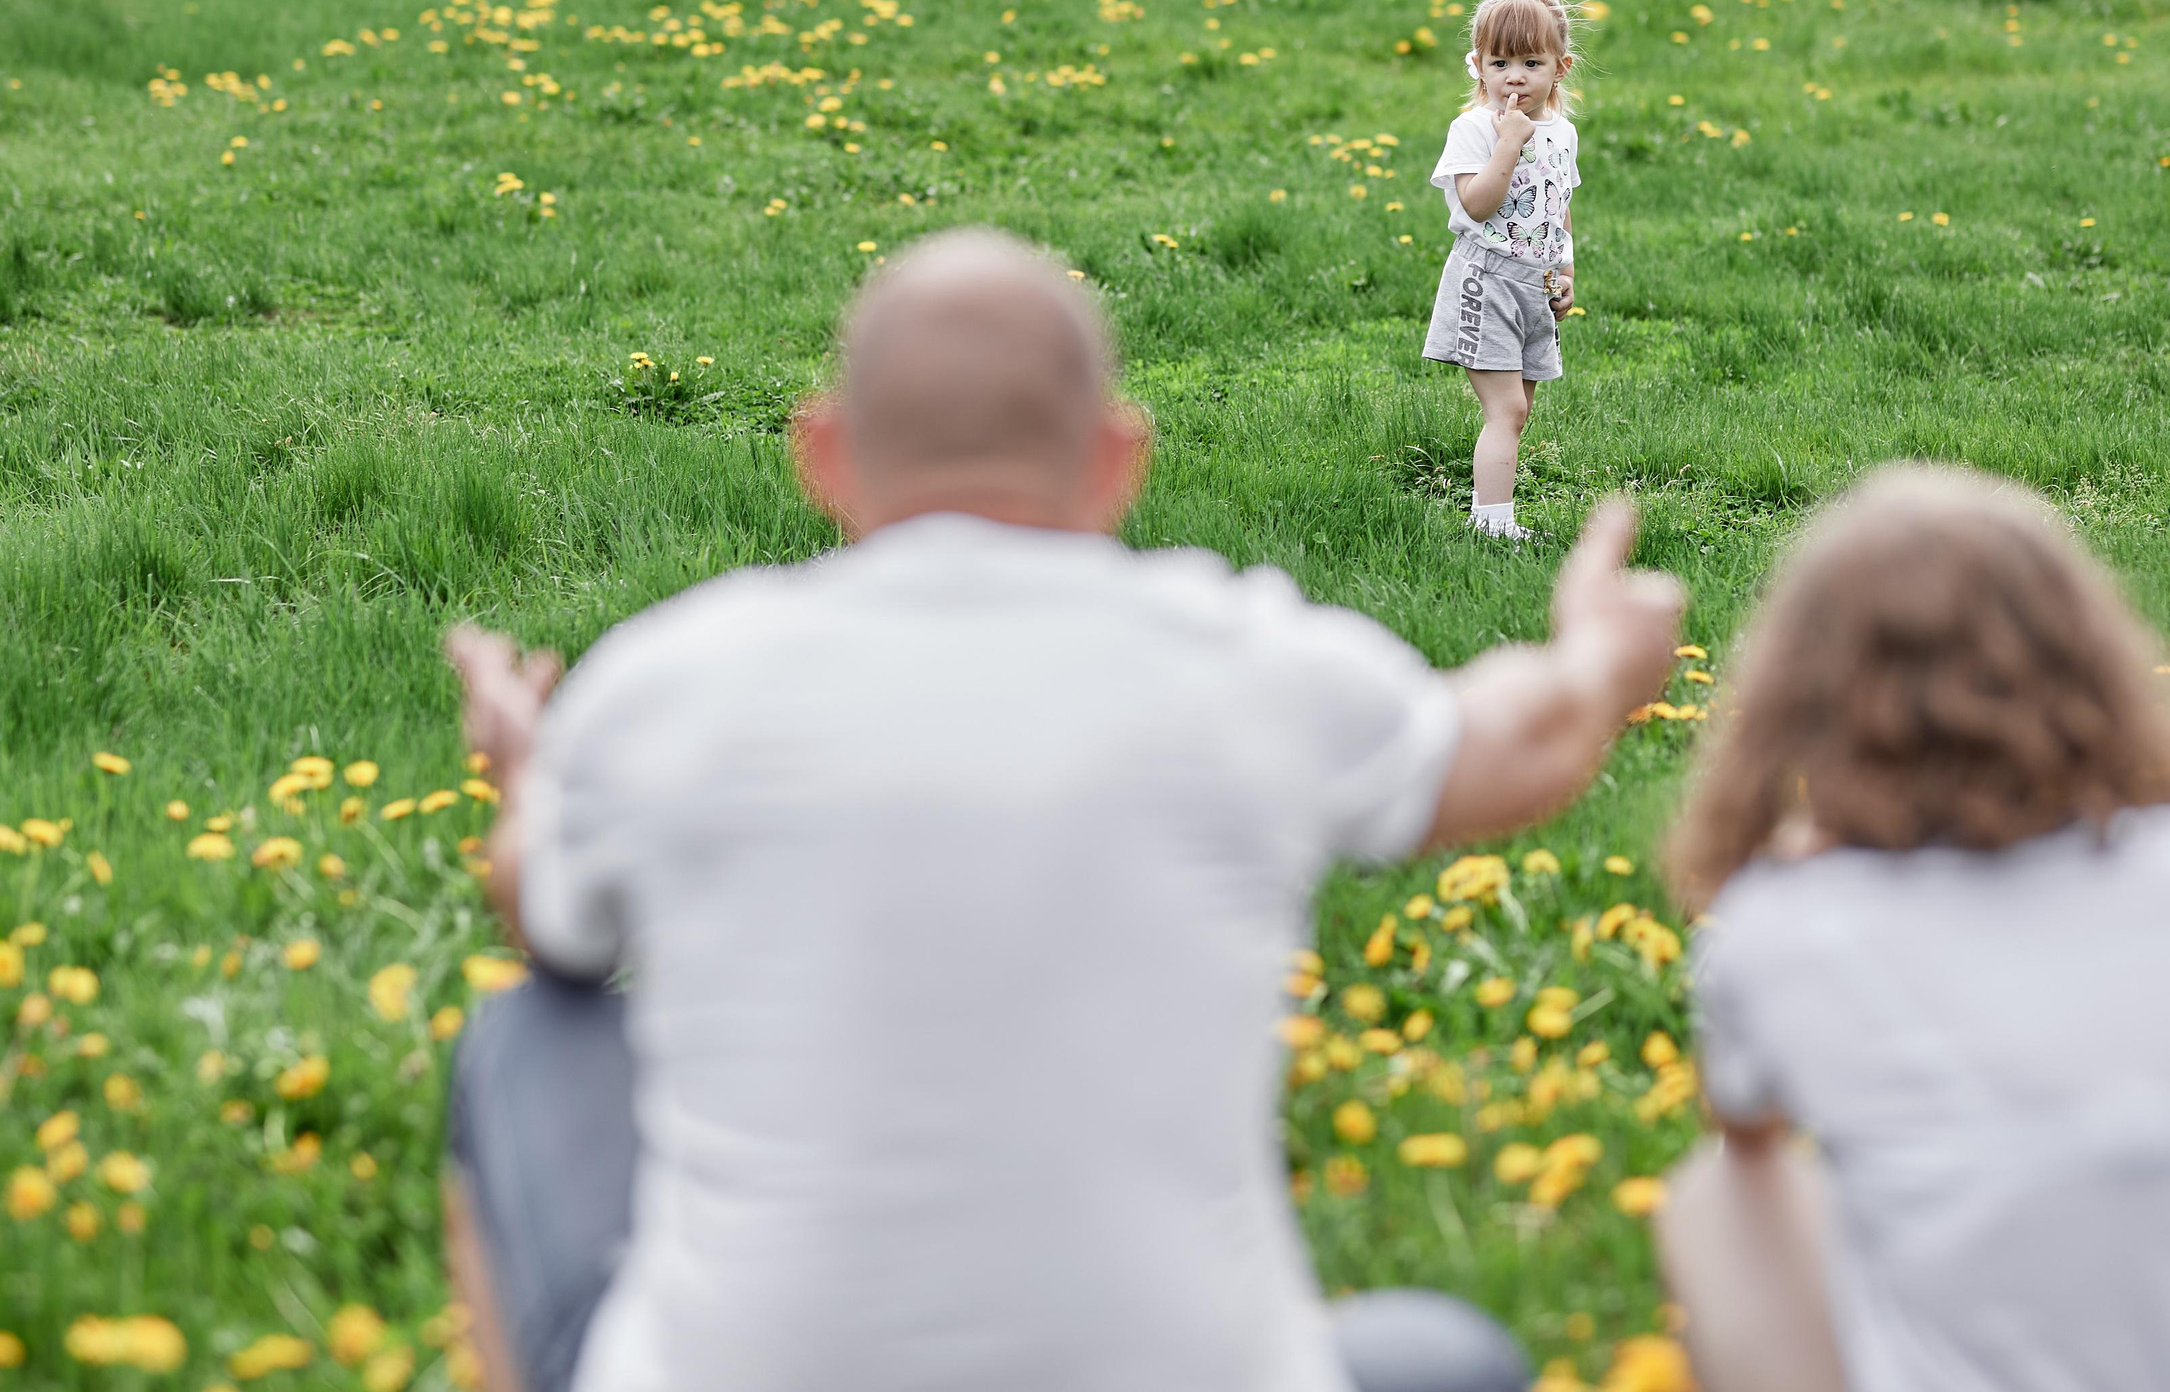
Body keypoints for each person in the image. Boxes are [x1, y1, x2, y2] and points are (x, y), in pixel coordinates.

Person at [441, 227, 1687, 1392]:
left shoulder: (671, 683)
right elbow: (1518, 743)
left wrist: (536, 780)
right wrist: (1596, 659)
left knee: (529, 1034)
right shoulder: (1235, 663)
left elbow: (541, 912)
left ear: (822, 454)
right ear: (1116, 460)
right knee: (1441, 1359)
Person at [1649, 463, 2170, 1392]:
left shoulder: (1790, 929)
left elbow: (1744, 1119)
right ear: (2092, 657)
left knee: (1716, 1196)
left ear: (1802, 701)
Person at [1419, 0, 1584, 542]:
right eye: (1500, 63)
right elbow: (1476, 203)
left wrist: (1565, 273)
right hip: (1485, 280)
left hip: (1533, 285)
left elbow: (1558, 208)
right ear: (1479, 66)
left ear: (1560, 68)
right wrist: (1508, 144)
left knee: (1519, 410)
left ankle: (1493, 512)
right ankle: (1492, 526)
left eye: (1531, 63)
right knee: (1507, 409)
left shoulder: (1563, 133)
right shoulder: (1475, 128)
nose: (1515, 76)